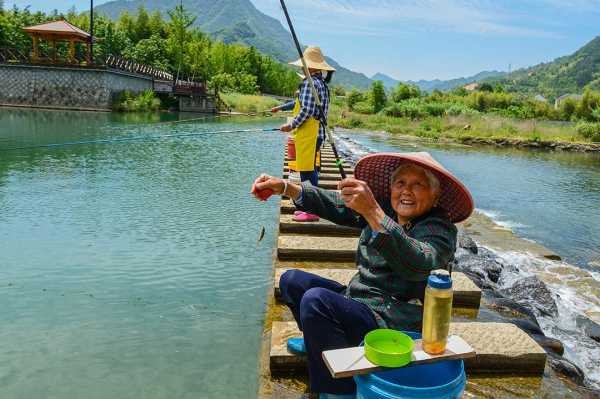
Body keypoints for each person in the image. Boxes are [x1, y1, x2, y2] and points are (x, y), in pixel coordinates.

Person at [251, 152, 474, 399]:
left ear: (434, 196)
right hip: (358, 300)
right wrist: (284, 187)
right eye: (400, 183)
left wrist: (373, 213)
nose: (406, 191)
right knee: (291, 280)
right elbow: (335, 204)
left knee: (316, 301)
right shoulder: (385, 209)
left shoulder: (439, 228)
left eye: (418, 185)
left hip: (390, 322)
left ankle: (337, 391)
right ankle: (320, 344)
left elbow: (421, 263)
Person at [279, 46, 335, 222]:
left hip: (309, 134)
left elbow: (307, 110)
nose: (302, 68)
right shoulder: (322, 85)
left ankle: (311, 211)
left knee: (308, 173)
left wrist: (291, 125)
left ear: (310, 66)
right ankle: (308, 207)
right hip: (315, 134)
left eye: (304, 65)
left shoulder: (310, 84)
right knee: (309, 171)